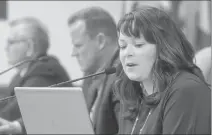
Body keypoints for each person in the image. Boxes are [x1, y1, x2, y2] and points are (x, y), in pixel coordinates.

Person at [114, 6, 211, 134]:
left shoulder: (186, 90)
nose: (127, 53)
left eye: (138, 45)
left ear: (164, 48)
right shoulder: (132, 93)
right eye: (123, 46)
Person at [0, 17, 72, 134]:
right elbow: (5, 104)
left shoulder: (44, 73)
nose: (6, 48)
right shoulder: (25, 73)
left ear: (30, 47)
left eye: (11, 42)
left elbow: (10, 115)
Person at [67, 7, 120, 134]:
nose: (73, 53)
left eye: (78, 45)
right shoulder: (90, 74)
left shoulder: (125, 75)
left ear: (101, 41)